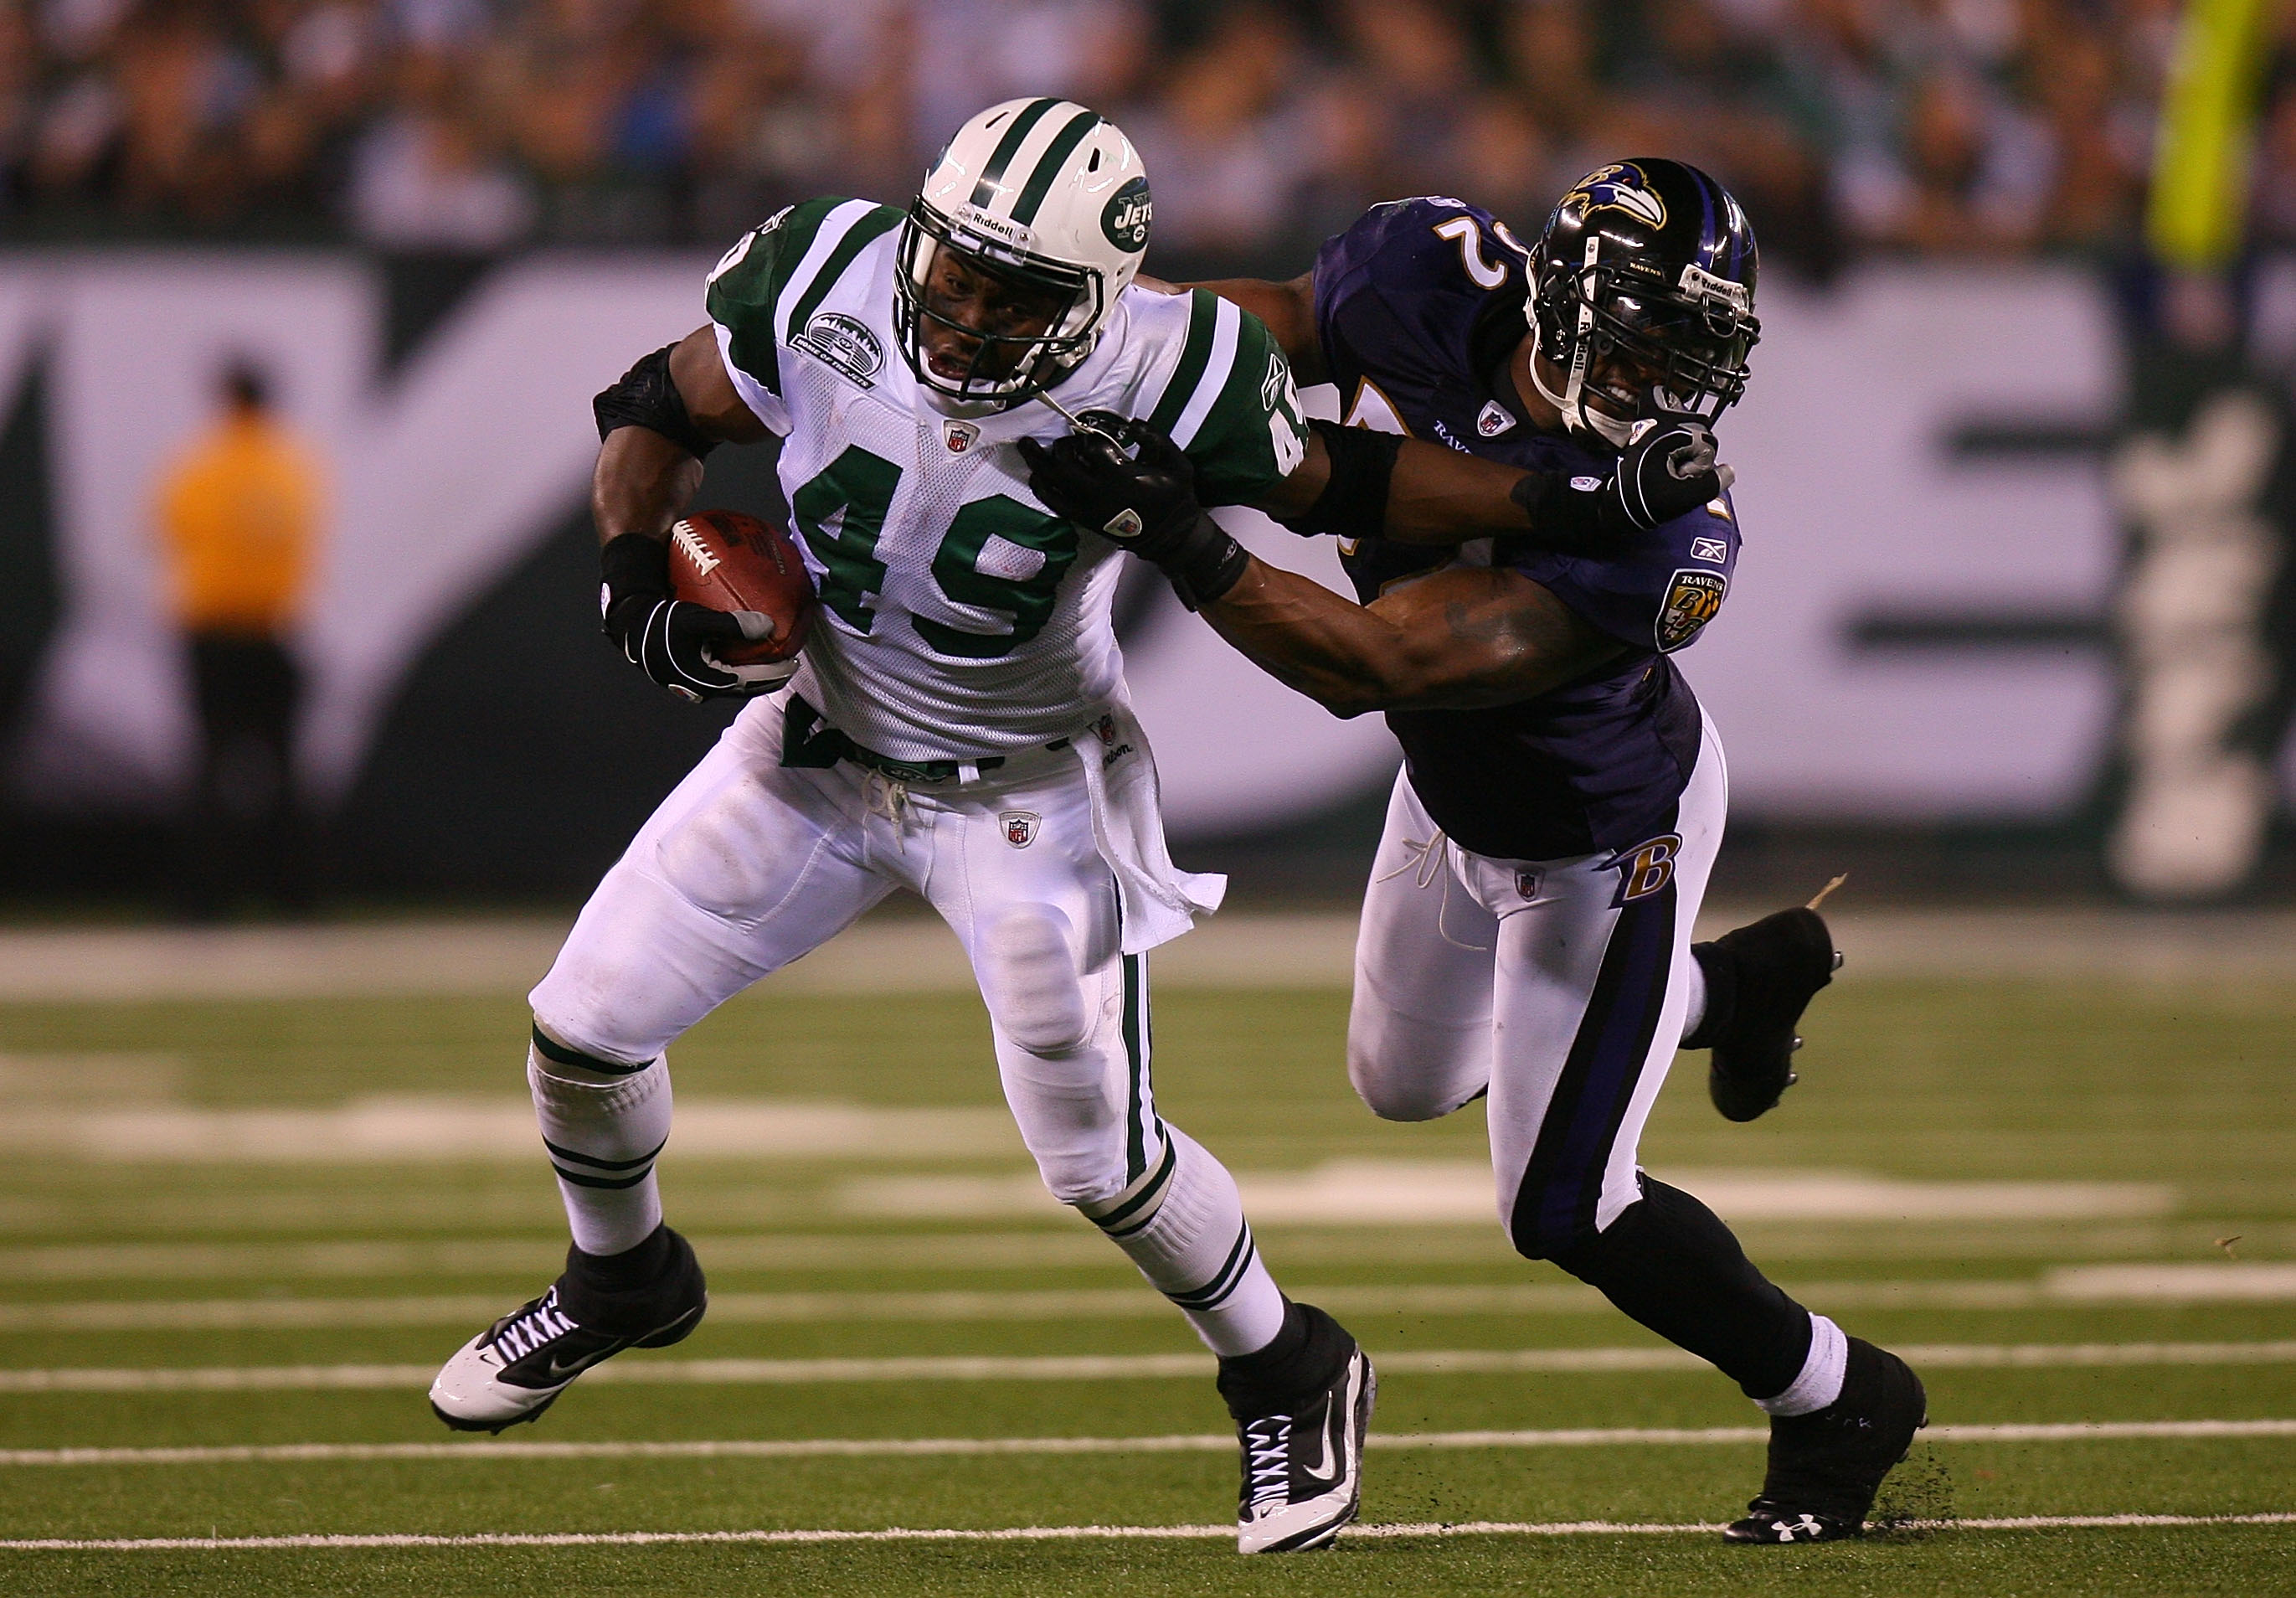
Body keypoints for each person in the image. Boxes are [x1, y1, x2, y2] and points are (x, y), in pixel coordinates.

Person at [423, 101, 1726, 1553]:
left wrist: (1580, 493)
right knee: (580, 1031)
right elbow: (655, 407)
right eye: (956, 270)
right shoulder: (829, 269)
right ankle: (624, 1278)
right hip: (812, 746)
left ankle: (1287, 1361)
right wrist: (627, 574)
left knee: (1098, 1160)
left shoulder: (1167, 371)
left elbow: (1340, 480)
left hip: (1027, 791)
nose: (968, 312)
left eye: (1013, 291)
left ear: (1096, 301)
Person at [1022, 160, 1927, 1544]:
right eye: (1637, 333)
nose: (1655, 380)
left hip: (1602, 833)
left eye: (1688, 354)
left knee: (1564, 1201)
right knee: (1399, 1084)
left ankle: (1838, 1395)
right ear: (1557, 286)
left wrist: (1181, 533)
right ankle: (1728, 991)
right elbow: (1245, 329)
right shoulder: (1420, 274)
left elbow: (1375, 662)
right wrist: (1087, 333)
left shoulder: (1671, 523)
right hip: (1450, 801)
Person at [153, 358, 323, 918]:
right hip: (273, 632)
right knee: (283, 771)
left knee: (208, 767)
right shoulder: (290, 467)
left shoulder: (202, 465)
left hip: (213, 633)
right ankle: (294, 897)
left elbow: (170, 531)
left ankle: (203, 900)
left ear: (226, 397)